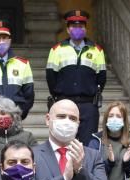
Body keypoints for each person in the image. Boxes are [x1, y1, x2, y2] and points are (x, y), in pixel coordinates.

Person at [45, 10, 107, 145]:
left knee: (88, 145)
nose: (77, 29)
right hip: (64, 103)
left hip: (88, 105)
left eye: (81, 26)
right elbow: (51, 77)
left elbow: (101, 78)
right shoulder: (57, 50)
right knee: (63, 143)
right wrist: (59, 96)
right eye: (74, 26)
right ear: (68, 29)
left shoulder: (97, 50)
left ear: (85, 29)